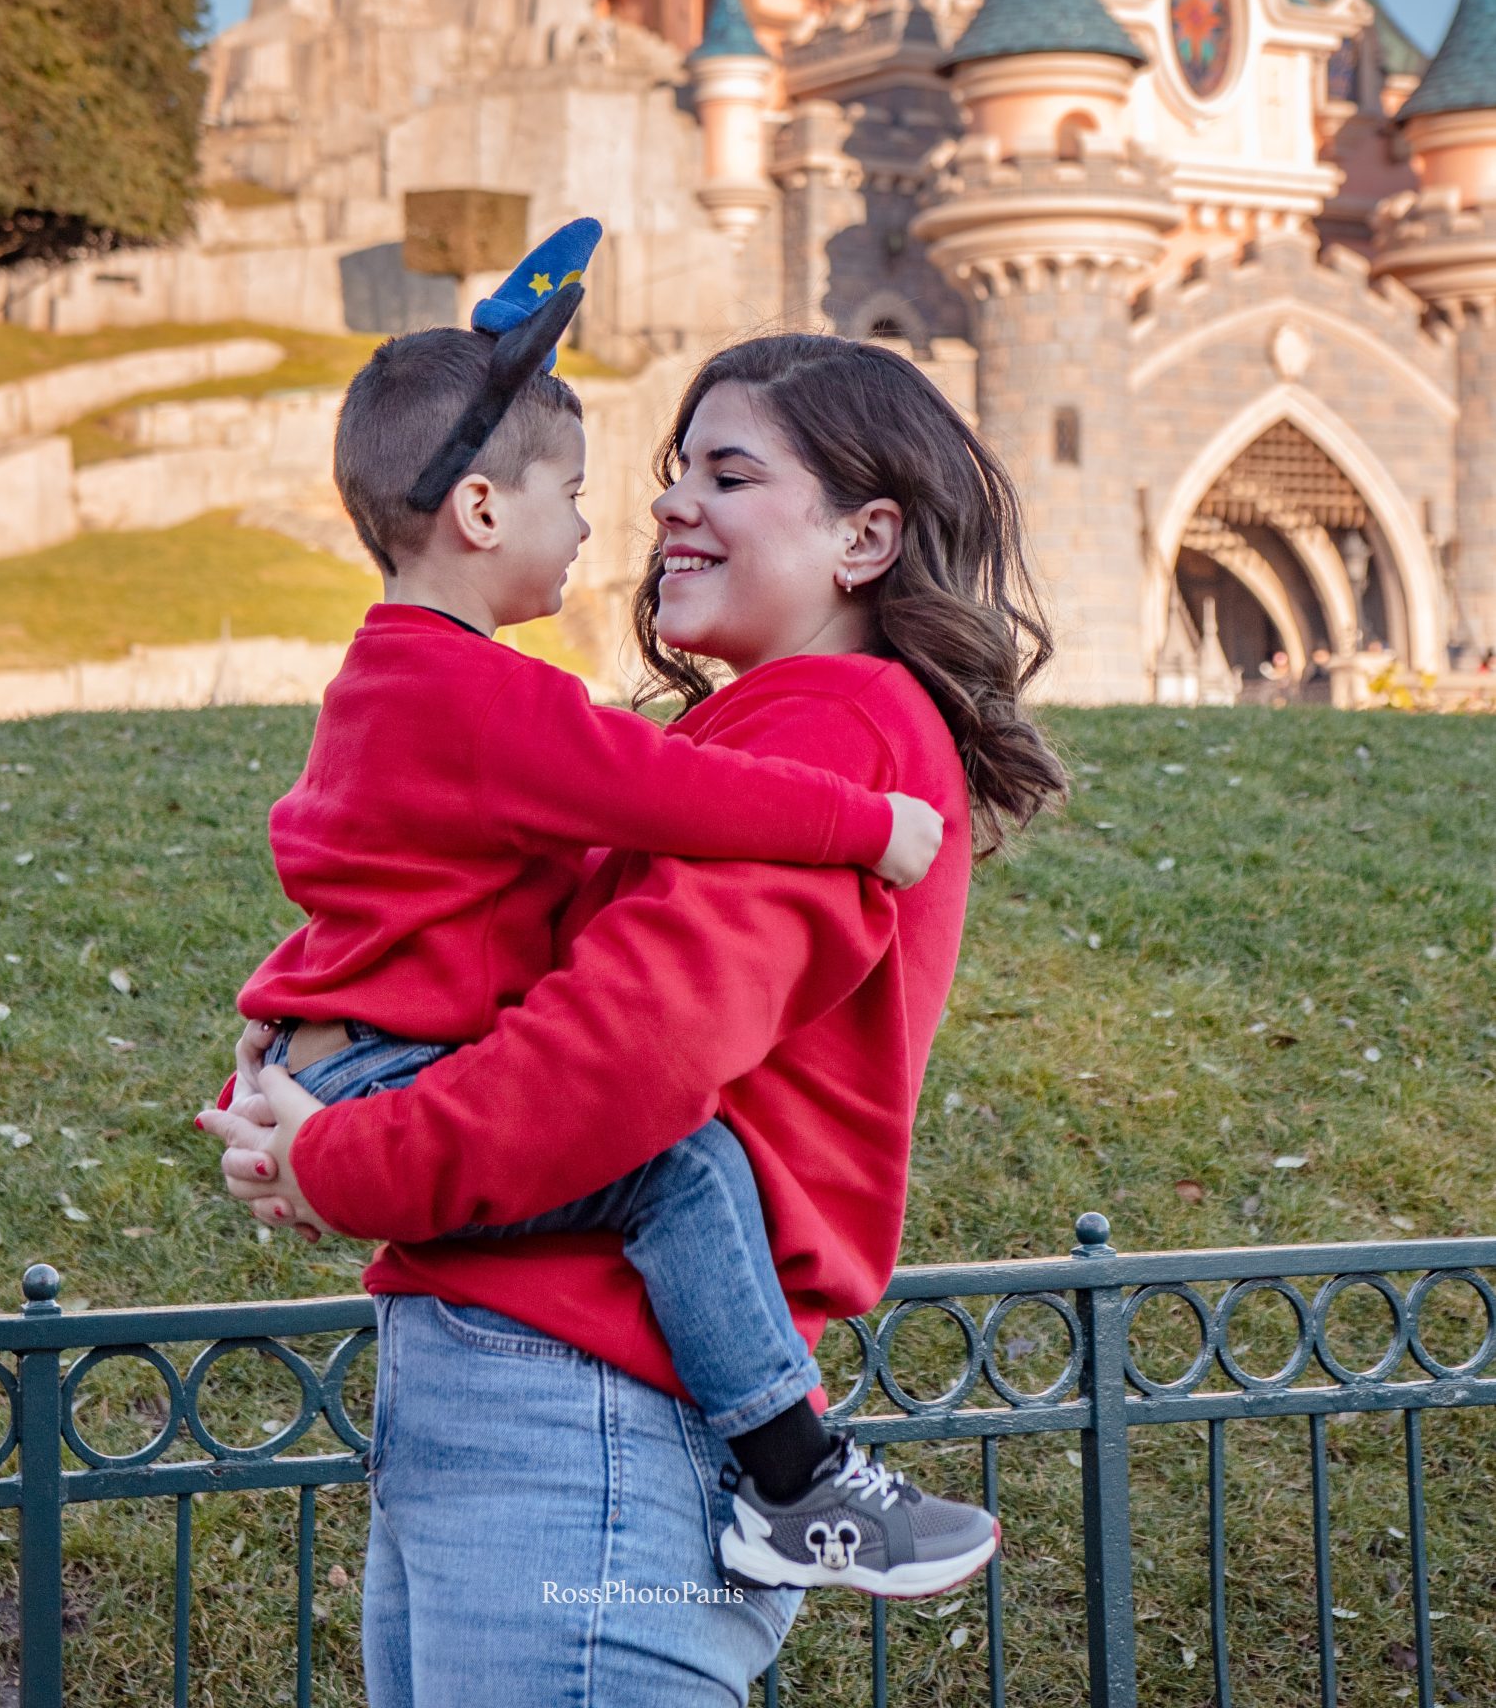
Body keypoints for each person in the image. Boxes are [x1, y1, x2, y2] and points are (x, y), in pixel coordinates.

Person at [202, 333, 1066, 1704]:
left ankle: (800, 1475)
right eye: (672, 473)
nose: (667, 506)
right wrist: (305, 1043)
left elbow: (628, 1058)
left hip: (592, 1405)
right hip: (525, 1389)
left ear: (865, 538)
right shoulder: (734, 743)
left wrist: (336, 1160)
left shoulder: (836, 731)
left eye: (726, 474)